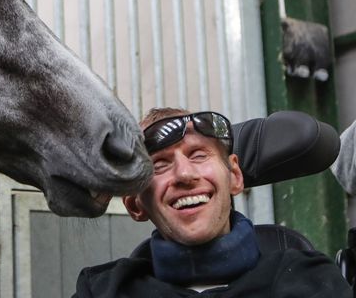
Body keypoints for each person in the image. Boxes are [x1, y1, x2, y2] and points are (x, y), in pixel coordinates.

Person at [73, 107, 351, 297]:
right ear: (135, 205)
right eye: (159, 165)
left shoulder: (311, 281)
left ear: (235, 177)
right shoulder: (102, 291)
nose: (184, 174)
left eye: (198, 156)